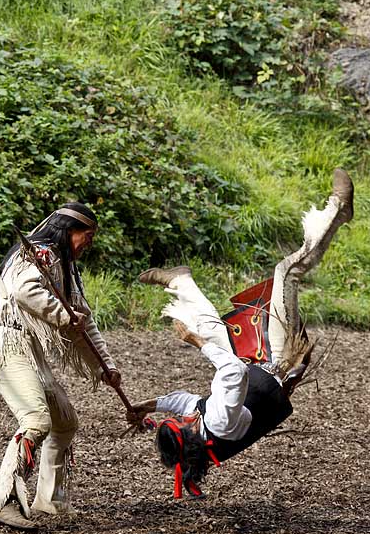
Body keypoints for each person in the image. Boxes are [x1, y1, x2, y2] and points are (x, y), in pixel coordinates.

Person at [126, 169, 355, 498]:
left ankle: (180, 281)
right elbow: (231, 370)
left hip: (255, 367)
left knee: (211, 330)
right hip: (278, 360)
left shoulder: (205, 427)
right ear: (190, 434)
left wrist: (150, 405)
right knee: (286, 273)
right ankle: (337, 213)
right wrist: (195, 343)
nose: (184, 418)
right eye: (180, 423)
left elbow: (187, 402)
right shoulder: (219, 422)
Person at [0, 202, 121, 530]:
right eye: (87, 235)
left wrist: (105, 367)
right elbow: (24, 291)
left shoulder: (65, 271)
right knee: (36, 420)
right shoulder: (38, 254)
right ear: (68, 230)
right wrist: (64, 316)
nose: (88, 244)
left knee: (64, 422)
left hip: (30, 350)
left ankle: (49, 501)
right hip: (6, 343)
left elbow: (84, 322)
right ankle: (4, 502)